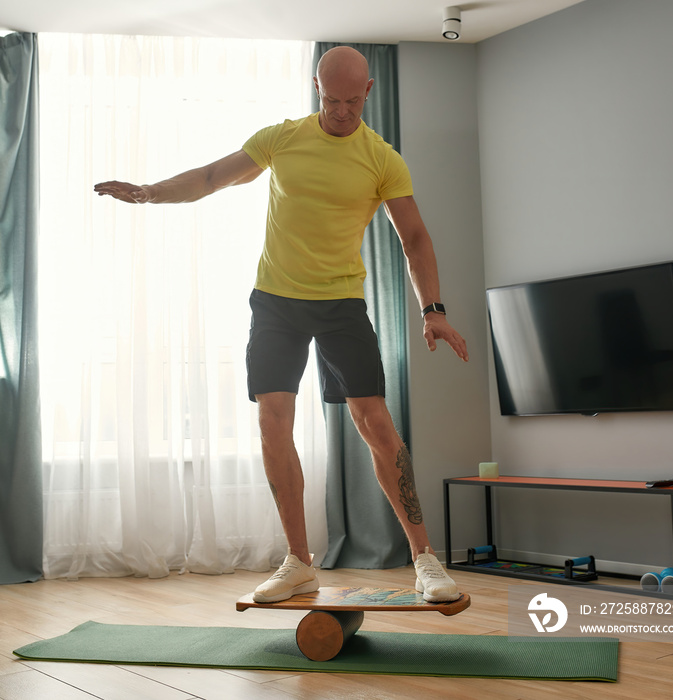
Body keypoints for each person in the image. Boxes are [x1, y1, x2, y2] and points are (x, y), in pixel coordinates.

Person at [95, 46, 468, 604]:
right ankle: (298, 562)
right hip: (275, 302)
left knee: (376, 424)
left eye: (351, 101)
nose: (341, 111)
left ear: (368, 93)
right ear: (317, 88)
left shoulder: (382, 159)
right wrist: (150, 192)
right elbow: (210, 177)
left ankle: (425, 559)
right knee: (274, 421)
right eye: (330, 99)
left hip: (341, 303)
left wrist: (432, 310)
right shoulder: (281, 138)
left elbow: (414, 238)